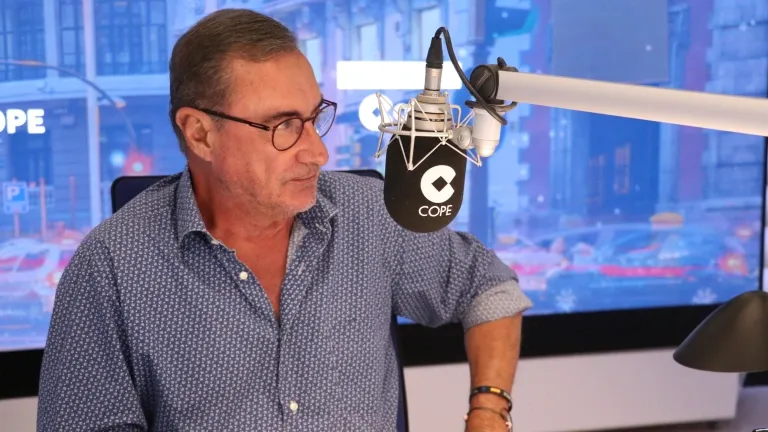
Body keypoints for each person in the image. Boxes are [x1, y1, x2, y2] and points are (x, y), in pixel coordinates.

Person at [37, 9, 532, 432]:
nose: (317, 152)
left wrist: (489, 410)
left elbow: (489, 288)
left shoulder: (368, 215)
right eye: (285, 126)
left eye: (315, 118)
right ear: (199, 133)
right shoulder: (110, 266)